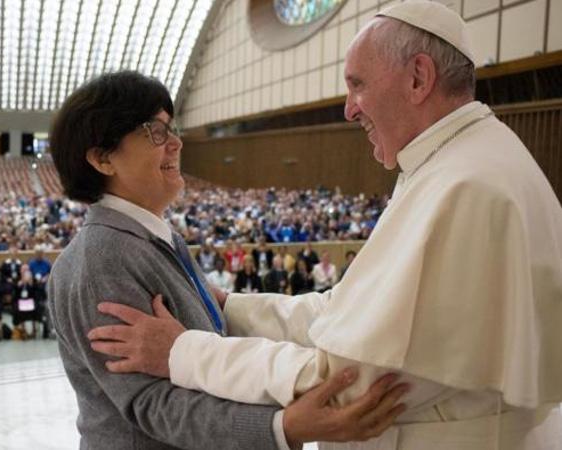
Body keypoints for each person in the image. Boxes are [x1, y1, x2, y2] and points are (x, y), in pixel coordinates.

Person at [88, 3, 562, 449]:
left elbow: (349, 386)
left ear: (418, 78)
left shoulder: (466, 186)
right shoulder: (457, 164)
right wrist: (232, 308)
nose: (349, 108)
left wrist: (184, 352)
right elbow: (347, 316)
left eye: (358, 84)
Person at [48, 71, 406, 450]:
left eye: (173, 129)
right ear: (103, 158)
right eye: (155, 131)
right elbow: (153, 404)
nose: (175, 143)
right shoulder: (103, 258)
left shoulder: (153, 239)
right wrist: (280, 427)